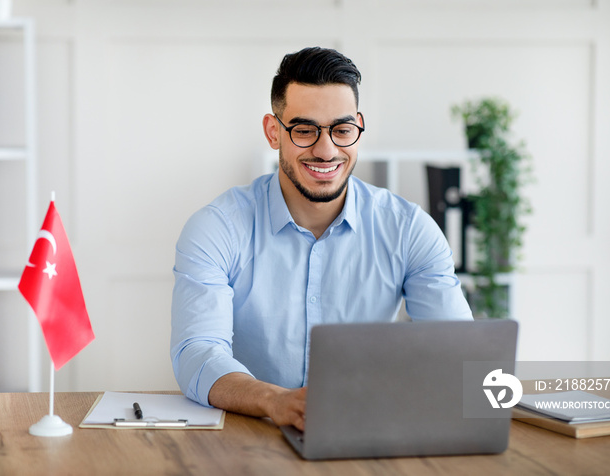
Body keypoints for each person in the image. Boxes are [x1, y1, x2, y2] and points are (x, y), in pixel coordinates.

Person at [171, 46, 472, 431]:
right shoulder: (217, 228)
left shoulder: (409, 229)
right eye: (304, 130)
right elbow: (197, 352)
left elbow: (458, 349)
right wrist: (273, 400)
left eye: (342, 130)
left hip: (367, 430)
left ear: (358, 128)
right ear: (273, 131)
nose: (326, 149)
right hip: (249, 433)